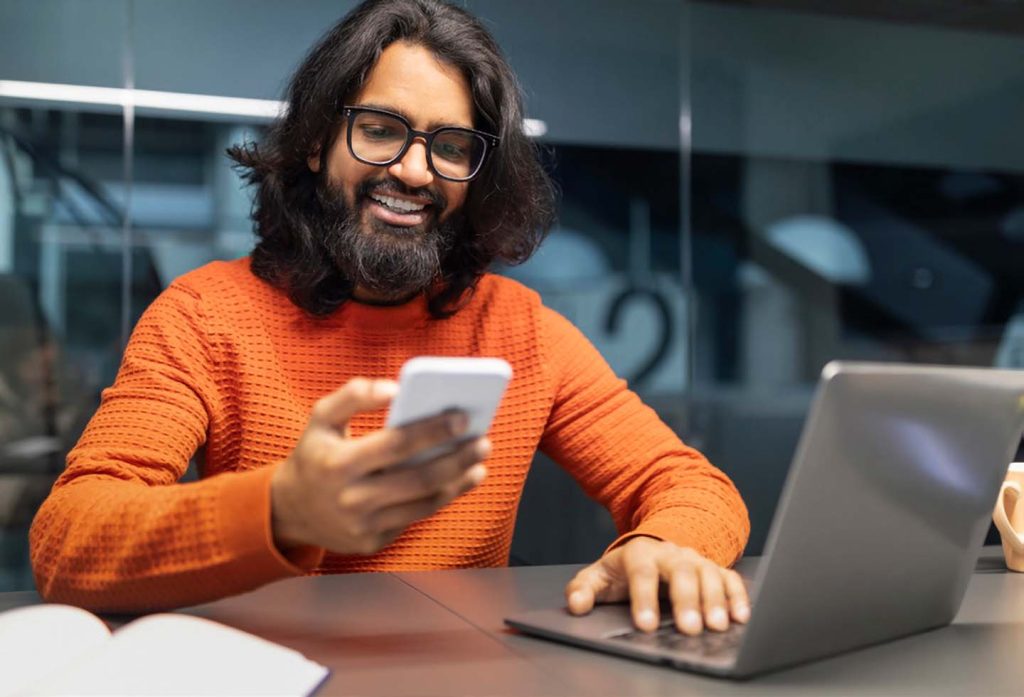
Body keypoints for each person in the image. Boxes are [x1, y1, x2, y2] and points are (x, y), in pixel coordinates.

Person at [30, 0, 750, 636]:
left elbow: (693, 486)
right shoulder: (204, 315)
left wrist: (661, 546)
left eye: (452, 146)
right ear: (316, 142)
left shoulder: (522, 330)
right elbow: (68, 541)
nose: (414, 170)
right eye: (380, 129)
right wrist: (281, 510)